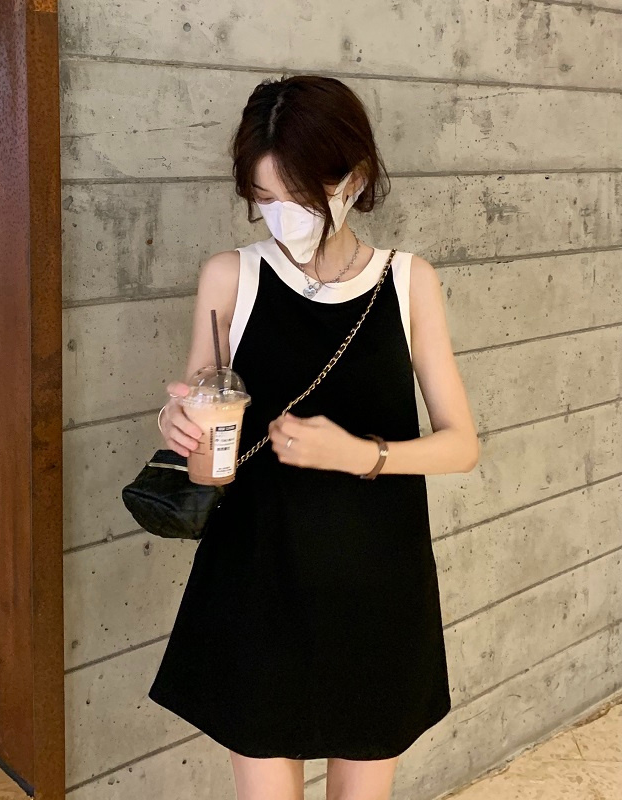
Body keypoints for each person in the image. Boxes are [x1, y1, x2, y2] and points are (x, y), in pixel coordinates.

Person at [147, 75, 480, 800]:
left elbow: (462, 445)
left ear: (353, 180)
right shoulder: (230, 278)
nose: (278, 217)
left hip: (377, 587)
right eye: (262, 198)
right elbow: (207, 458)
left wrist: (359, 455)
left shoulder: (409, 282)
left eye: (296, 198)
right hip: (258, 581)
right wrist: (182, 428)